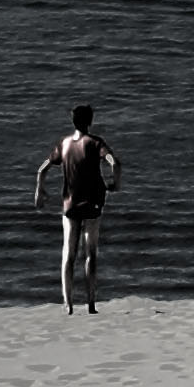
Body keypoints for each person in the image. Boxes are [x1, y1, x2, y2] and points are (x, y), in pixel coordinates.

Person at [32, 103, 118, 312]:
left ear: (73, 121)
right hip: (93, 204)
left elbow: (42, 169)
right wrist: (116, 182)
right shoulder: (95, 143)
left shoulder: (64, 144)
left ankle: (68, 304)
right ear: (90, 121)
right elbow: (114, 162)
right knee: (91, 254)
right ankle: (90, 304)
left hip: (70, 205)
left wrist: (39, 191)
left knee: (68, 255)